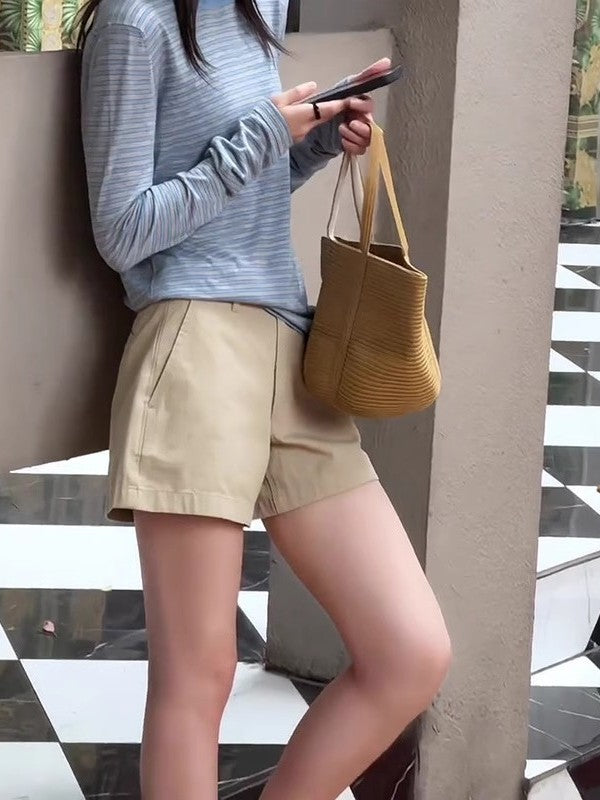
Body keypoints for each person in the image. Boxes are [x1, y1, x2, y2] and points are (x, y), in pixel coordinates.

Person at [78, 1, 452, 797]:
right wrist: (261, 136)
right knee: (200, 674)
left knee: (409, 651)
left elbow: (241, 194)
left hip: (290, 347)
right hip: (195, 344)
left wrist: (309, 144)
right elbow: (123, 230)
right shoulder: (135, 23)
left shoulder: (257, 6)